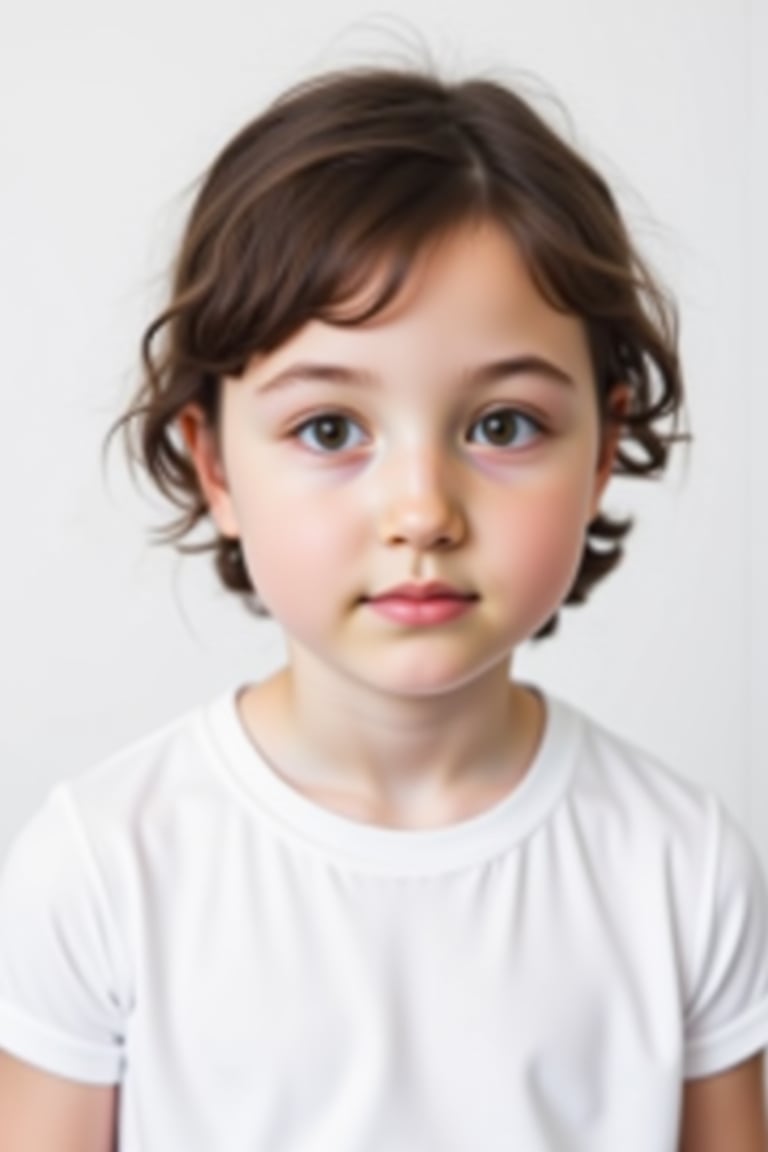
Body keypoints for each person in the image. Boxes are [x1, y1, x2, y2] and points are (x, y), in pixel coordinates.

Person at [0, 63, 766, 1152]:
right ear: (214, 464)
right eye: (329, 430)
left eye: (502, 425)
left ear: (602, 449)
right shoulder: (105, 865)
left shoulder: (680, 867)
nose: (422, 511)